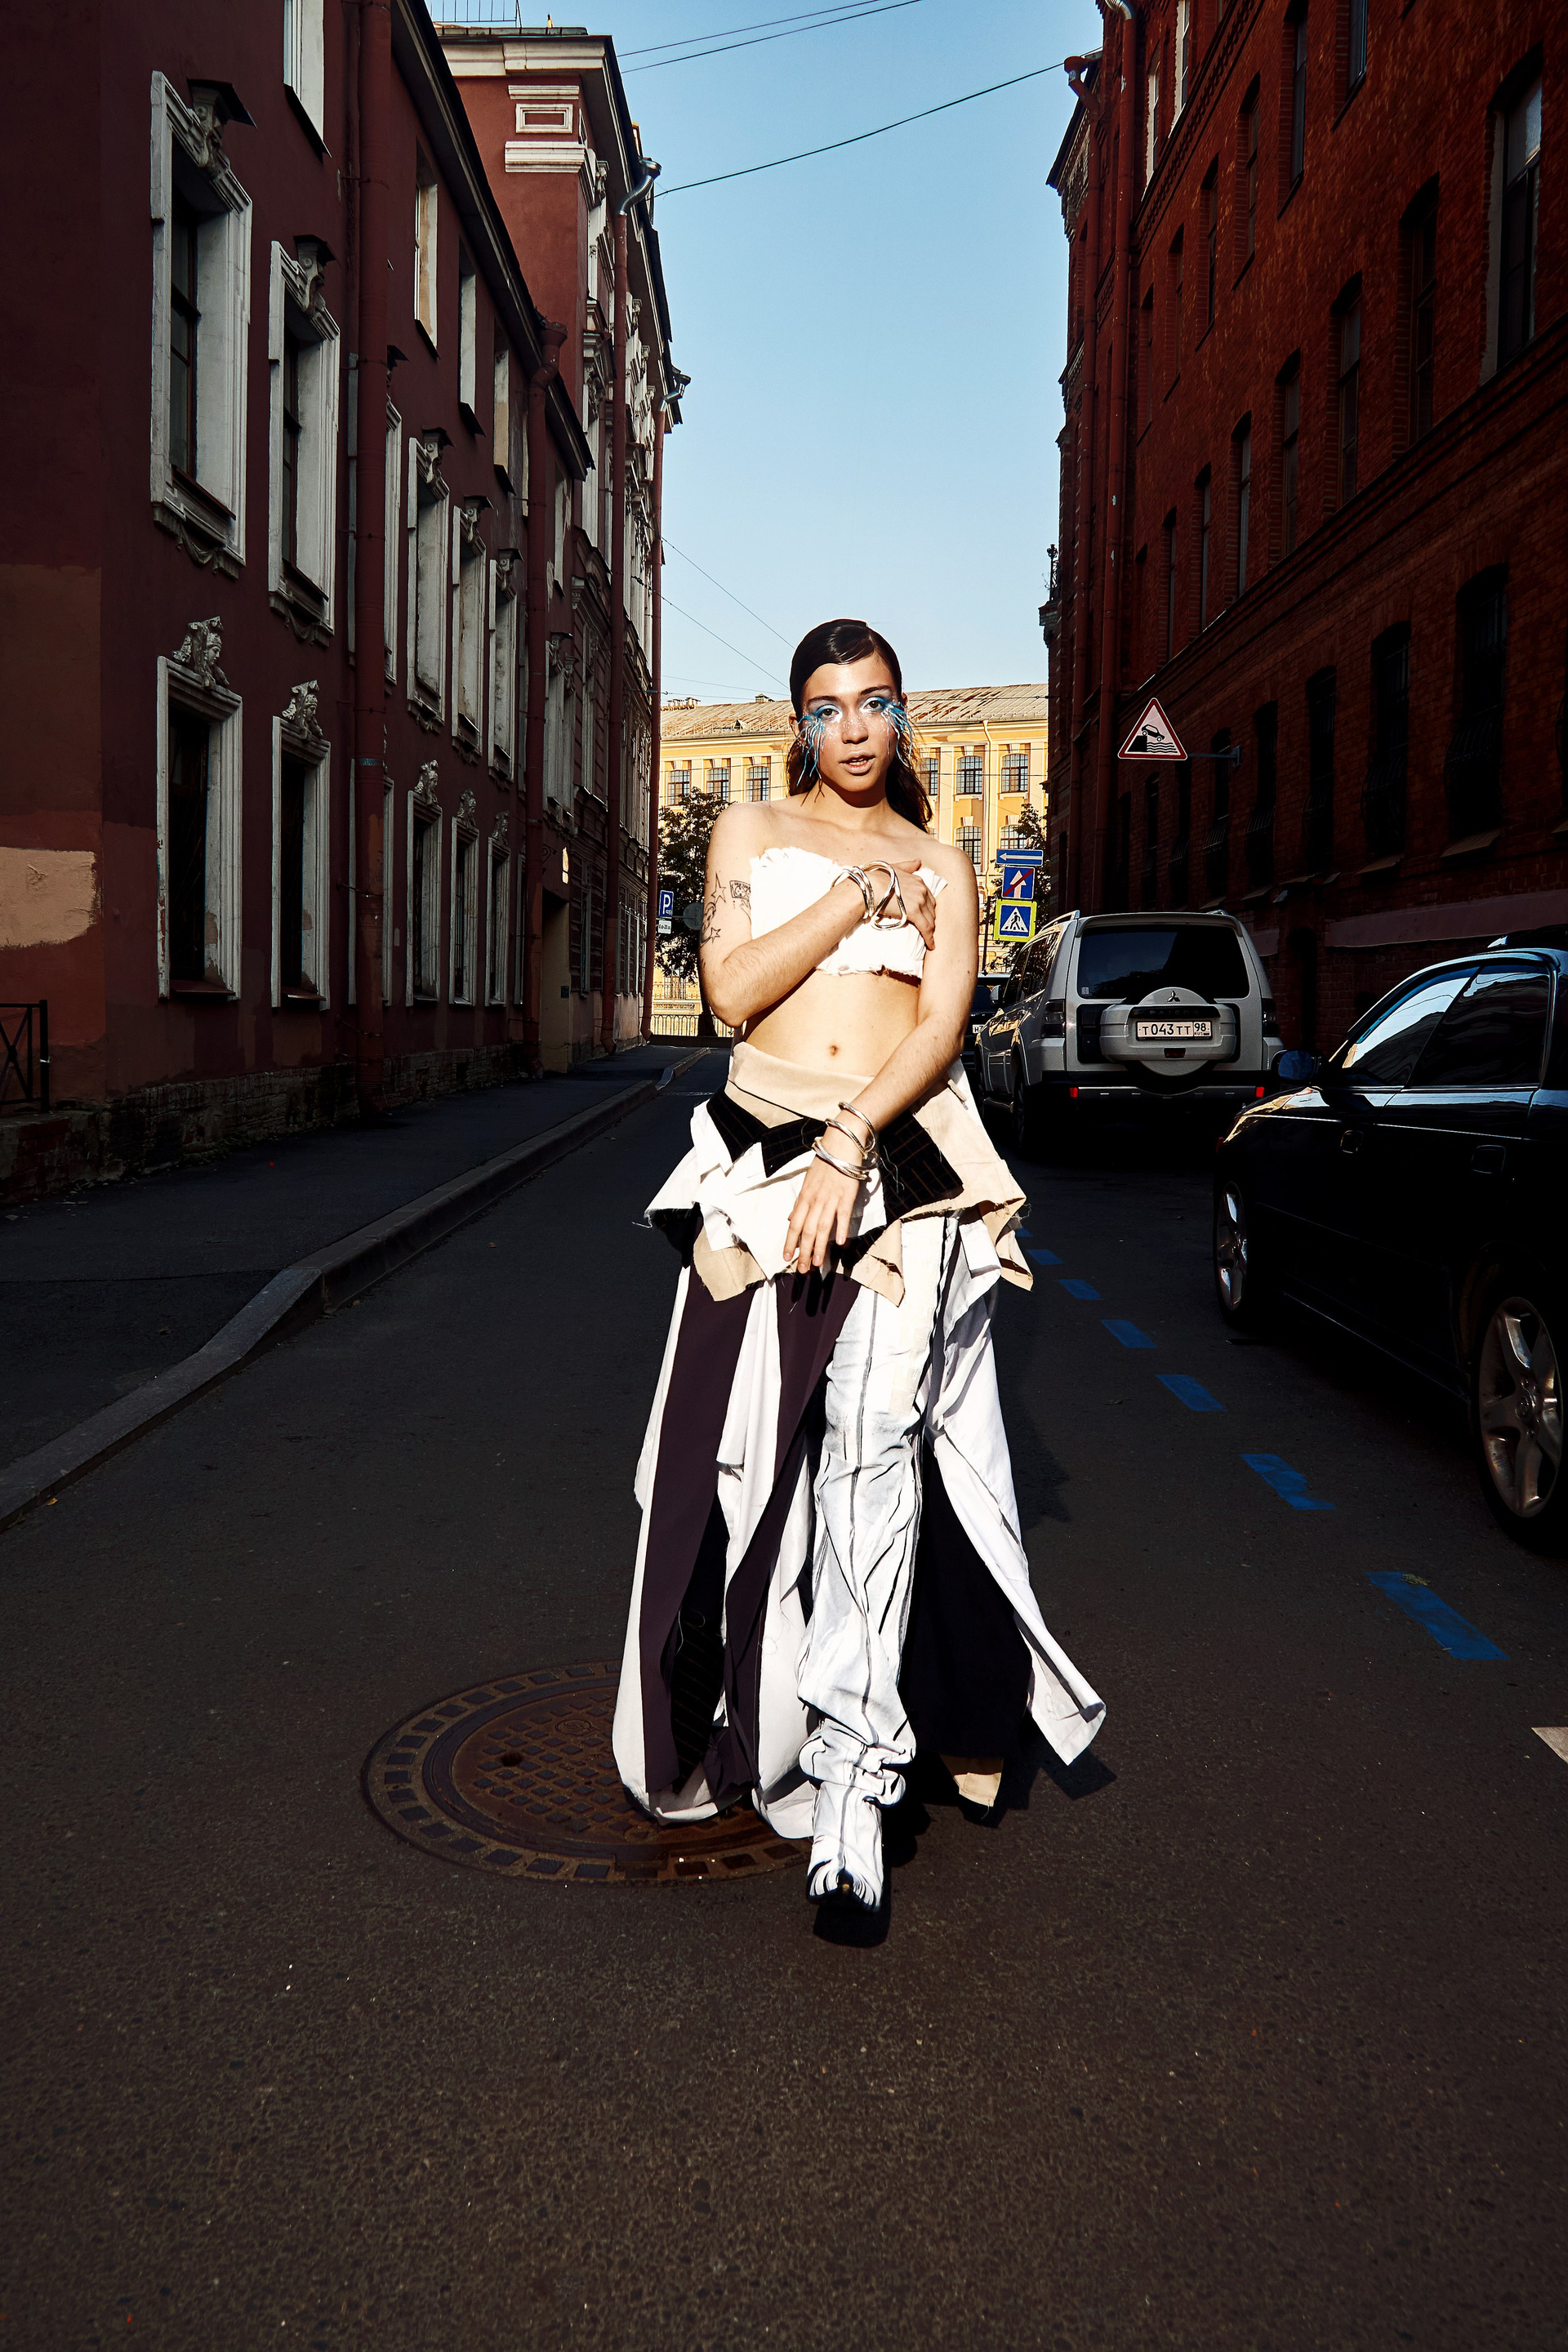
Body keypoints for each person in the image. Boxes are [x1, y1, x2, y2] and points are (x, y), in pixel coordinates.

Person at [612, 617, 1103, 1909]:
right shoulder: (751, 831)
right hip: (756, 1163)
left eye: (875, 701)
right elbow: (729, 993)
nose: (853, 728)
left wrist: (853, 1138)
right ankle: (746, 1716)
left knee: (877, 1449)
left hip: (901, 1156)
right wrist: (851, 900)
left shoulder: (946, 860)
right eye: (827, 706)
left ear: (903, 715)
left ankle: (853, 1786)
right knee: (741, 1464)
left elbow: (940, 1027)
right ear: (799, 724)